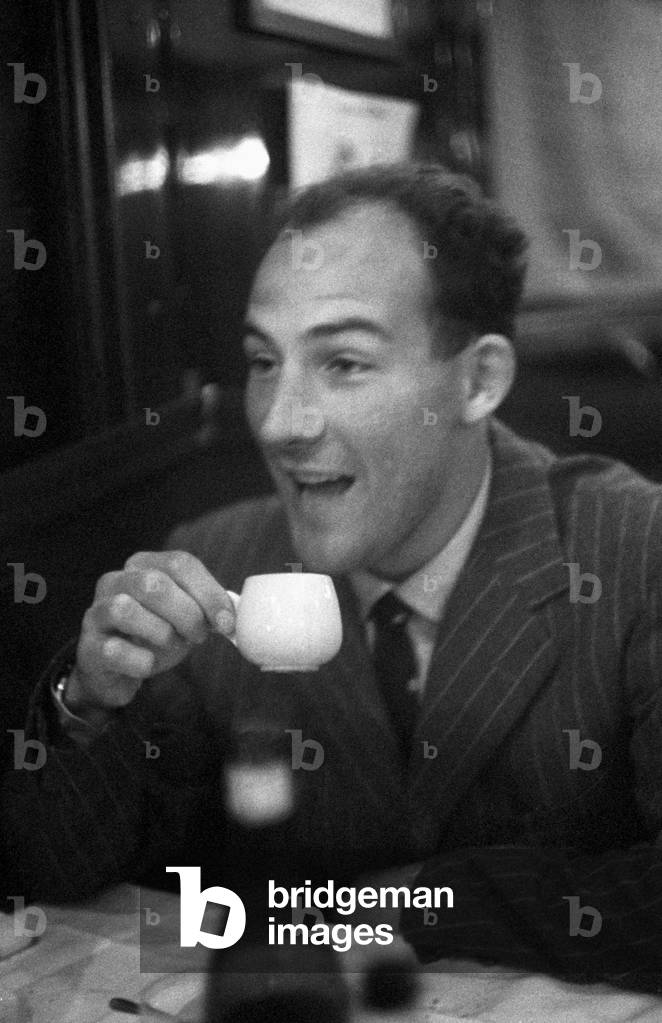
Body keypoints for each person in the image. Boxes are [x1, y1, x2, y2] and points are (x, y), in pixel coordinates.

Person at [3, 163, 662, 989]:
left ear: (479, 379)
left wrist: (415, 904)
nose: (280, 423)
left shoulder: (634, 550)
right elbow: (60, 871)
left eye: (344, 362)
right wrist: (88, 699)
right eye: (263, 360)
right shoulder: (216, 565)